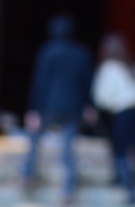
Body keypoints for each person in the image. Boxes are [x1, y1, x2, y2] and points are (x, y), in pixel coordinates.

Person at [22, 15, 95, 204]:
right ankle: (68, 189)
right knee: (68, 147)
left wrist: (33, 109)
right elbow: (87, 82)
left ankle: (28, 174)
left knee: (34, 140)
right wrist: (87, 104)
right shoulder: (81, 53)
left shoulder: (47, 51)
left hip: (49, 105)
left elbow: (39, 82)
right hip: (73, 107)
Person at [91, 33, 135, 205]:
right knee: (132, 151)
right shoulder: (132, 66)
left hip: (122, 113)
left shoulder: (109, 67)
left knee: (120, 152)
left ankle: (129, 189)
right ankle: (122, 179)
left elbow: (102, 97)